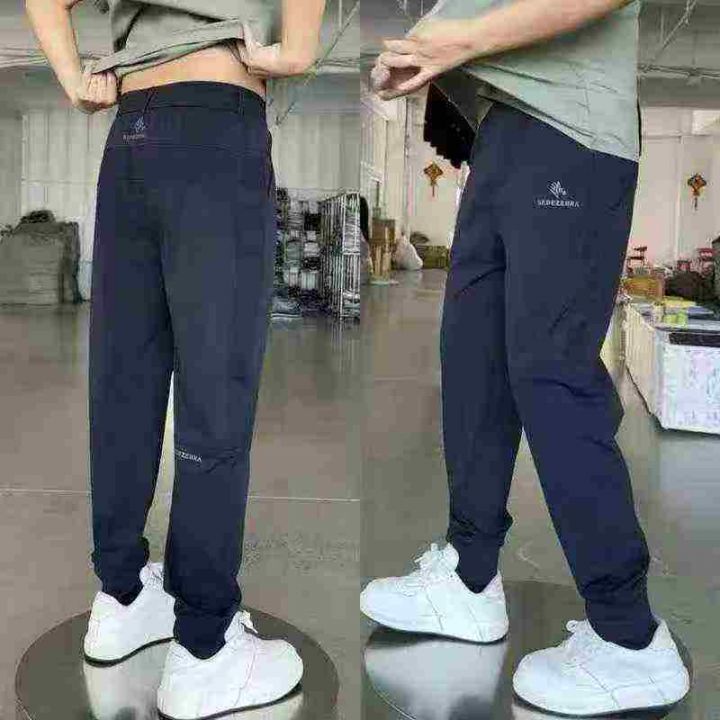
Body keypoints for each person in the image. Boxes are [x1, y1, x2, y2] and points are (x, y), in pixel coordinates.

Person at [360, 0, 691, 716]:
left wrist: (457, 41)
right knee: (473, 361)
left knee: (551, 372)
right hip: (501, 133)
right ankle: (469, 576)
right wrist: (418, 51)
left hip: (573, 129)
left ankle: (629, 635)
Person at [25, 1, 325, 717]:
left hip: (132, 132)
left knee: (123, 382)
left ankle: (122, 596)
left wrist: (72, 77)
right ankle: (205, 648)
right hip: (216, 123)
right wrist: (297, 48)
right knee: (215, 387)